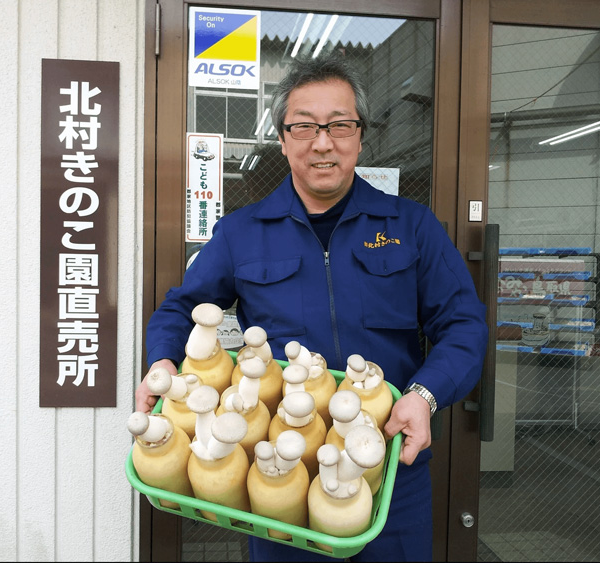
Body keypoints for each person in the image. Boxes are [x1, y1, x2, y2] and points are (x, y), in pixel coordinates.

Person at [135, 53, 488, 562]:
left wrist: (424, 396)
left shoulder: (411, 226)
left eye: (340, 125)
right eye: (304, 126)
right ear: (283, 139)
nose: (323, 142)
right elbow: (181, 309)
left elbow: (463, 324)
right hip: (281, 467)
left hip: (389, 464)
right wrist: (164, 363)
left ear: (360, 136)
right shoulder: (241, 233)